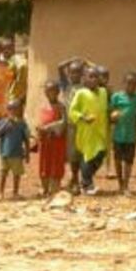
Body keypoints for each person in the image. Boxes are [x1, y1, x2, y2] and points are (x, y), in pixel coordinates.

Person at [68, 66, 108, 196]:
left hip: (100, 132)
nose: (94, 79)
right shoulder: (81, 93)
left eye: (96, 76)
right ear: (84, 79)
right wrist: (83, 118)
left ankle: (85, 179)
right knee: (88, 157)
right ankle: (87, 185)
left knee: (100, 155)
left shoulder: (103, 92)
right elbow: (72, 111)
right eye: (90, 76)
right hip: (86, 132)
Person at [109, 72, 136, 194]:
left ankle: (126, 185)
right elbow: (110, 112)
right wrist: (114, 116)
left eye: (134, 84)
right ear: (124, 83)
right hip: (118, 134)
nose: (131, 86)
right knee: (118, 160)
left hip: (131, 135)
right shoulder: (117, 97)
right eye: (129, 83)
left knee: (128, 161)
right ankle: (120, 184)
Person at [58, 58, 86, 192]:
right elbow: (59, 67)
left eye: (77, 72)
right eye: (72, 72)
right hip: (70, 125)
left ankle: (80, 180)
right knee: (72, 155)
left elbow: (97, 71)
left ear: (82, 74)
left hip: (82, 124)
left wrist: (86, 63)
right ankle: (74, 179)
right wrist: (73, 59)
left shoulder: (86, 87)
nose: (74, 75)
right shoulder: (66, 86)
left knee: (81, 153)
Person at [0, 99, 30, 200]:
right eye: (11, 109)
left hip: (17, 154)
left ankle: (15, 192)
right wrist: (6, 124)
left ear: (20, 110)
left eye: (16, 109)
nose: (14, 112)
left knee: (16, 174)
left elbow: (26, 139)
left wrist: (27, 154)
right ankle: (1, 193)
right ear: (8, 110)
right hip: (4, 153)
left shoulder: (22, 124)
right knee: (3, 174)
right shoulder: (3, 121)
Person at [37, 81, 67, 197]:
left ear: (58, 92)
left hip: (56, 140)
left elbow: (63, 123)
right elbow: (41, 121)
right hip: (45, 141)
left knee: (56, 163)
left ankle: (54, 188)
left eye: (53, 91)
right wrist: (39, 128)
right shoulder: (43, 106)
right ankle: (45, 188)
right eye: (48, 91)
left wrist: (49, 127)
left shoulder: (61, 107)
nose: (51, 93)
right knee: (44, 163)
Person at [96, 66, 115, 180]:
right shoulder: (92, 90)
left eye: (106, 76)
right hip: (94, 121)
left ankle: (108, 169)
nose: (104, 78)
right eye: (102, 76)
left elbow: (112, 104)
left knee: (107, 146)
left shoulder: (109, 90)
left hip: (106, 121)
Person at [3, 38, 28, 116]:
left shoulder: (16, 60)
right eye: (3, 49)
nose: (5, 51)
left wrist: (20, 96)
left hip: (15, 97)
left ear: (12, 48)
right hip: (10, 97)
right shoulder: (9, 60)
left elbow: (22, 67)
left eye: (8, 48)